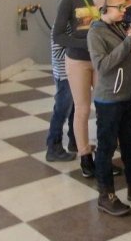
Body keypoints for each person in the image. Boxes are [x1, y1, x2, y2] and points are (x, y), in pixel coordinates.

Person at [87, 0, 131, 216]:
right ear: (102, 9)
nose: (123, 10)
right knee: (106, 147)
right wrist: (129, 42)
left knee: (130, 144)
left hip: (127, 96)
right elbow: (102, 65)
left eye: (124, 5)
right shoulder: (96, 33)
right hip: (109, 100)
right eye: (119, 7)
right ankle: (106, 195)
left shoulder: (118, 26)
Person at [52, 0, 105, 177]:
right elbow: (58, 35)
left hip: (99, 59)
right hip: (78, 60)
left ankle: (103, 152)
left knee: (103, 107)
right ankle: (84, 155)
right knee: (82, 108)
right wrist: (85, 43)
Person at [45, 30, 76, 162]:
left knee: (74, 109)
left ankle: (74, 141)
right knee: (61, 111)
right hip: (64, 76)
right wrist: (79, 48)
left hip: (72, 74)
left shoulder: (71, 24)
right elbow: (58, 54)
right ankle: (53, 147)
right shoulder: (61, 26)